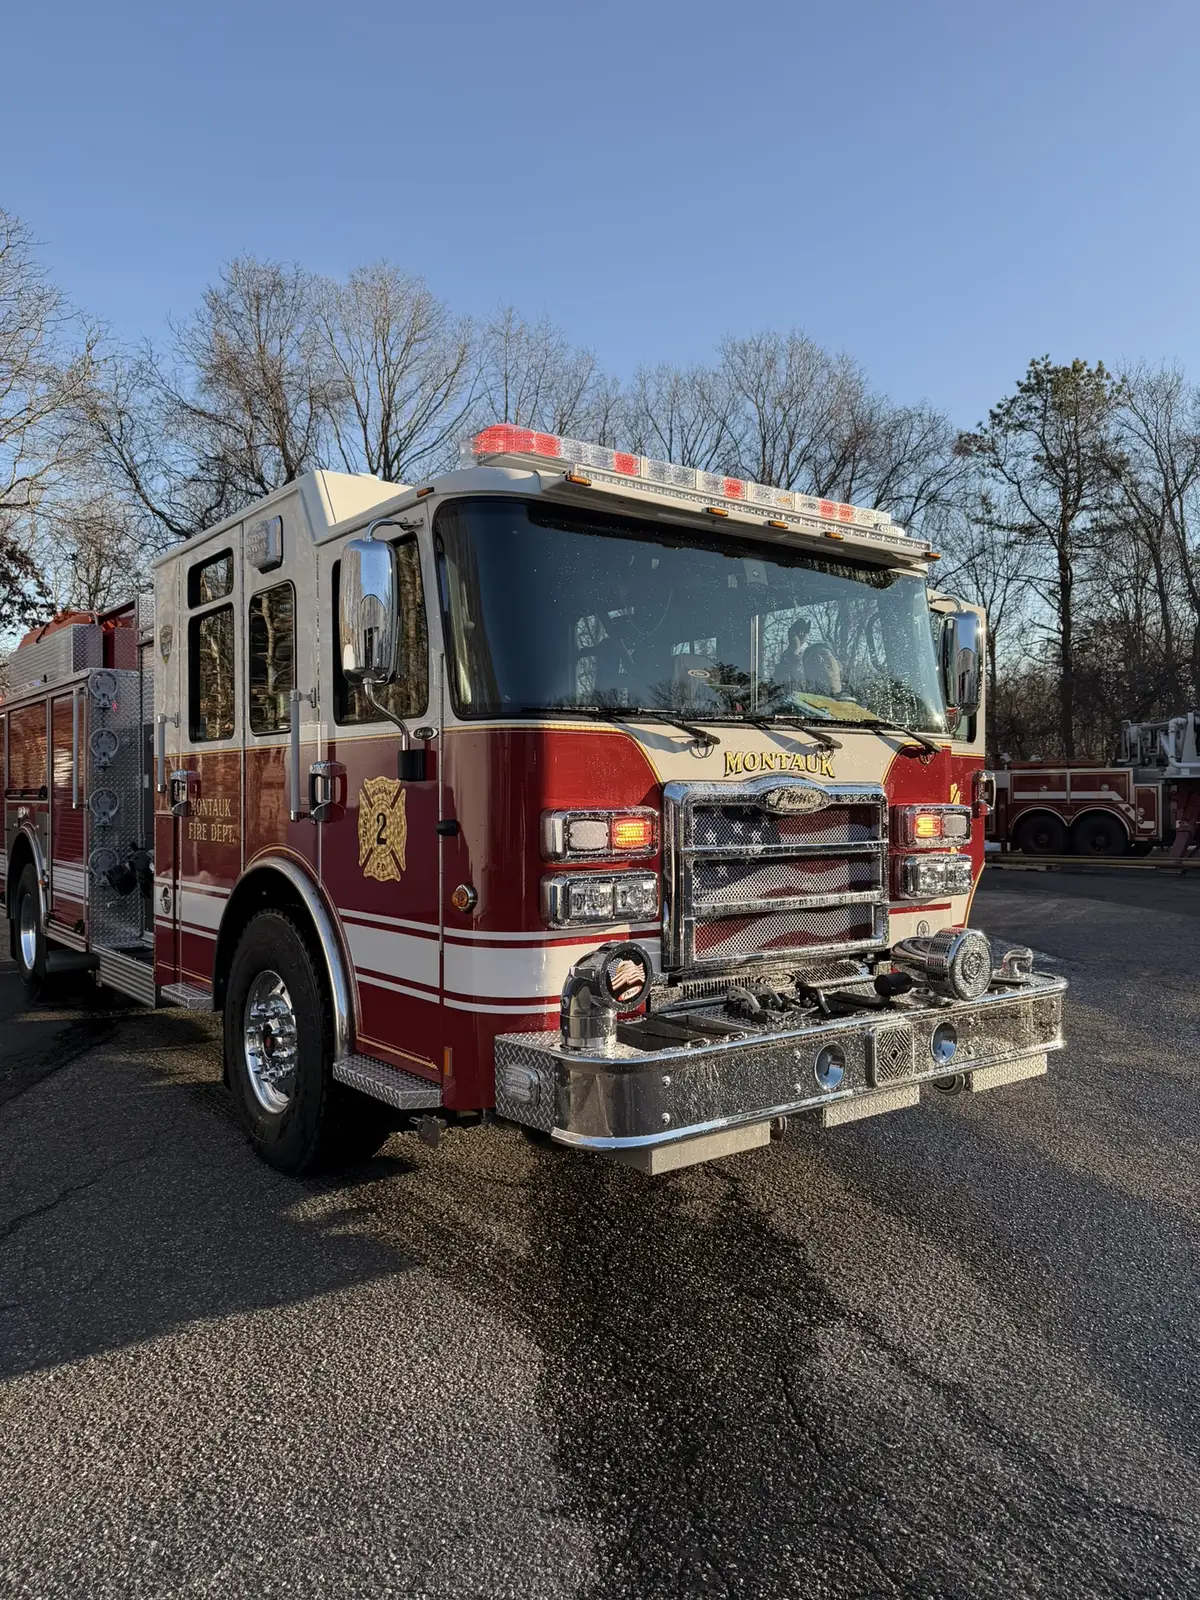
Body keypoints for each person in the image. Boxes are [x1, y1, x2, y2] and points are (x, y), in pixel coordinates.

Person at [775, 618, 811, 685]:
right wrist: (795, 645)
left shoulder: (808, 658)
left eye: (803, 632)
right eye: (799, 633)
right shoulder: (786, 660)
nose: (801, 635)